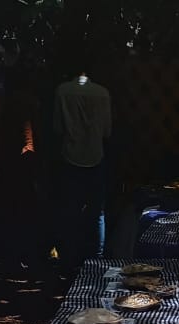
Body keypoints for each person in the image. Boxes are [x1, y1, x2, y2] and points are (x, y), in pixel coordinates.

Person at [53, 61, 111, 269]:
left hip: (70, 157)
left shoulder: (62, 91)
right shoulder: (103, 93)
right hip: (96, 156)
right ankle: (97, 258)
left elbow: (58, 128)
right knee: (97, 213)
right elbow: (107, 131)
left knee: (71, 210)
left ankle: (70, 257)